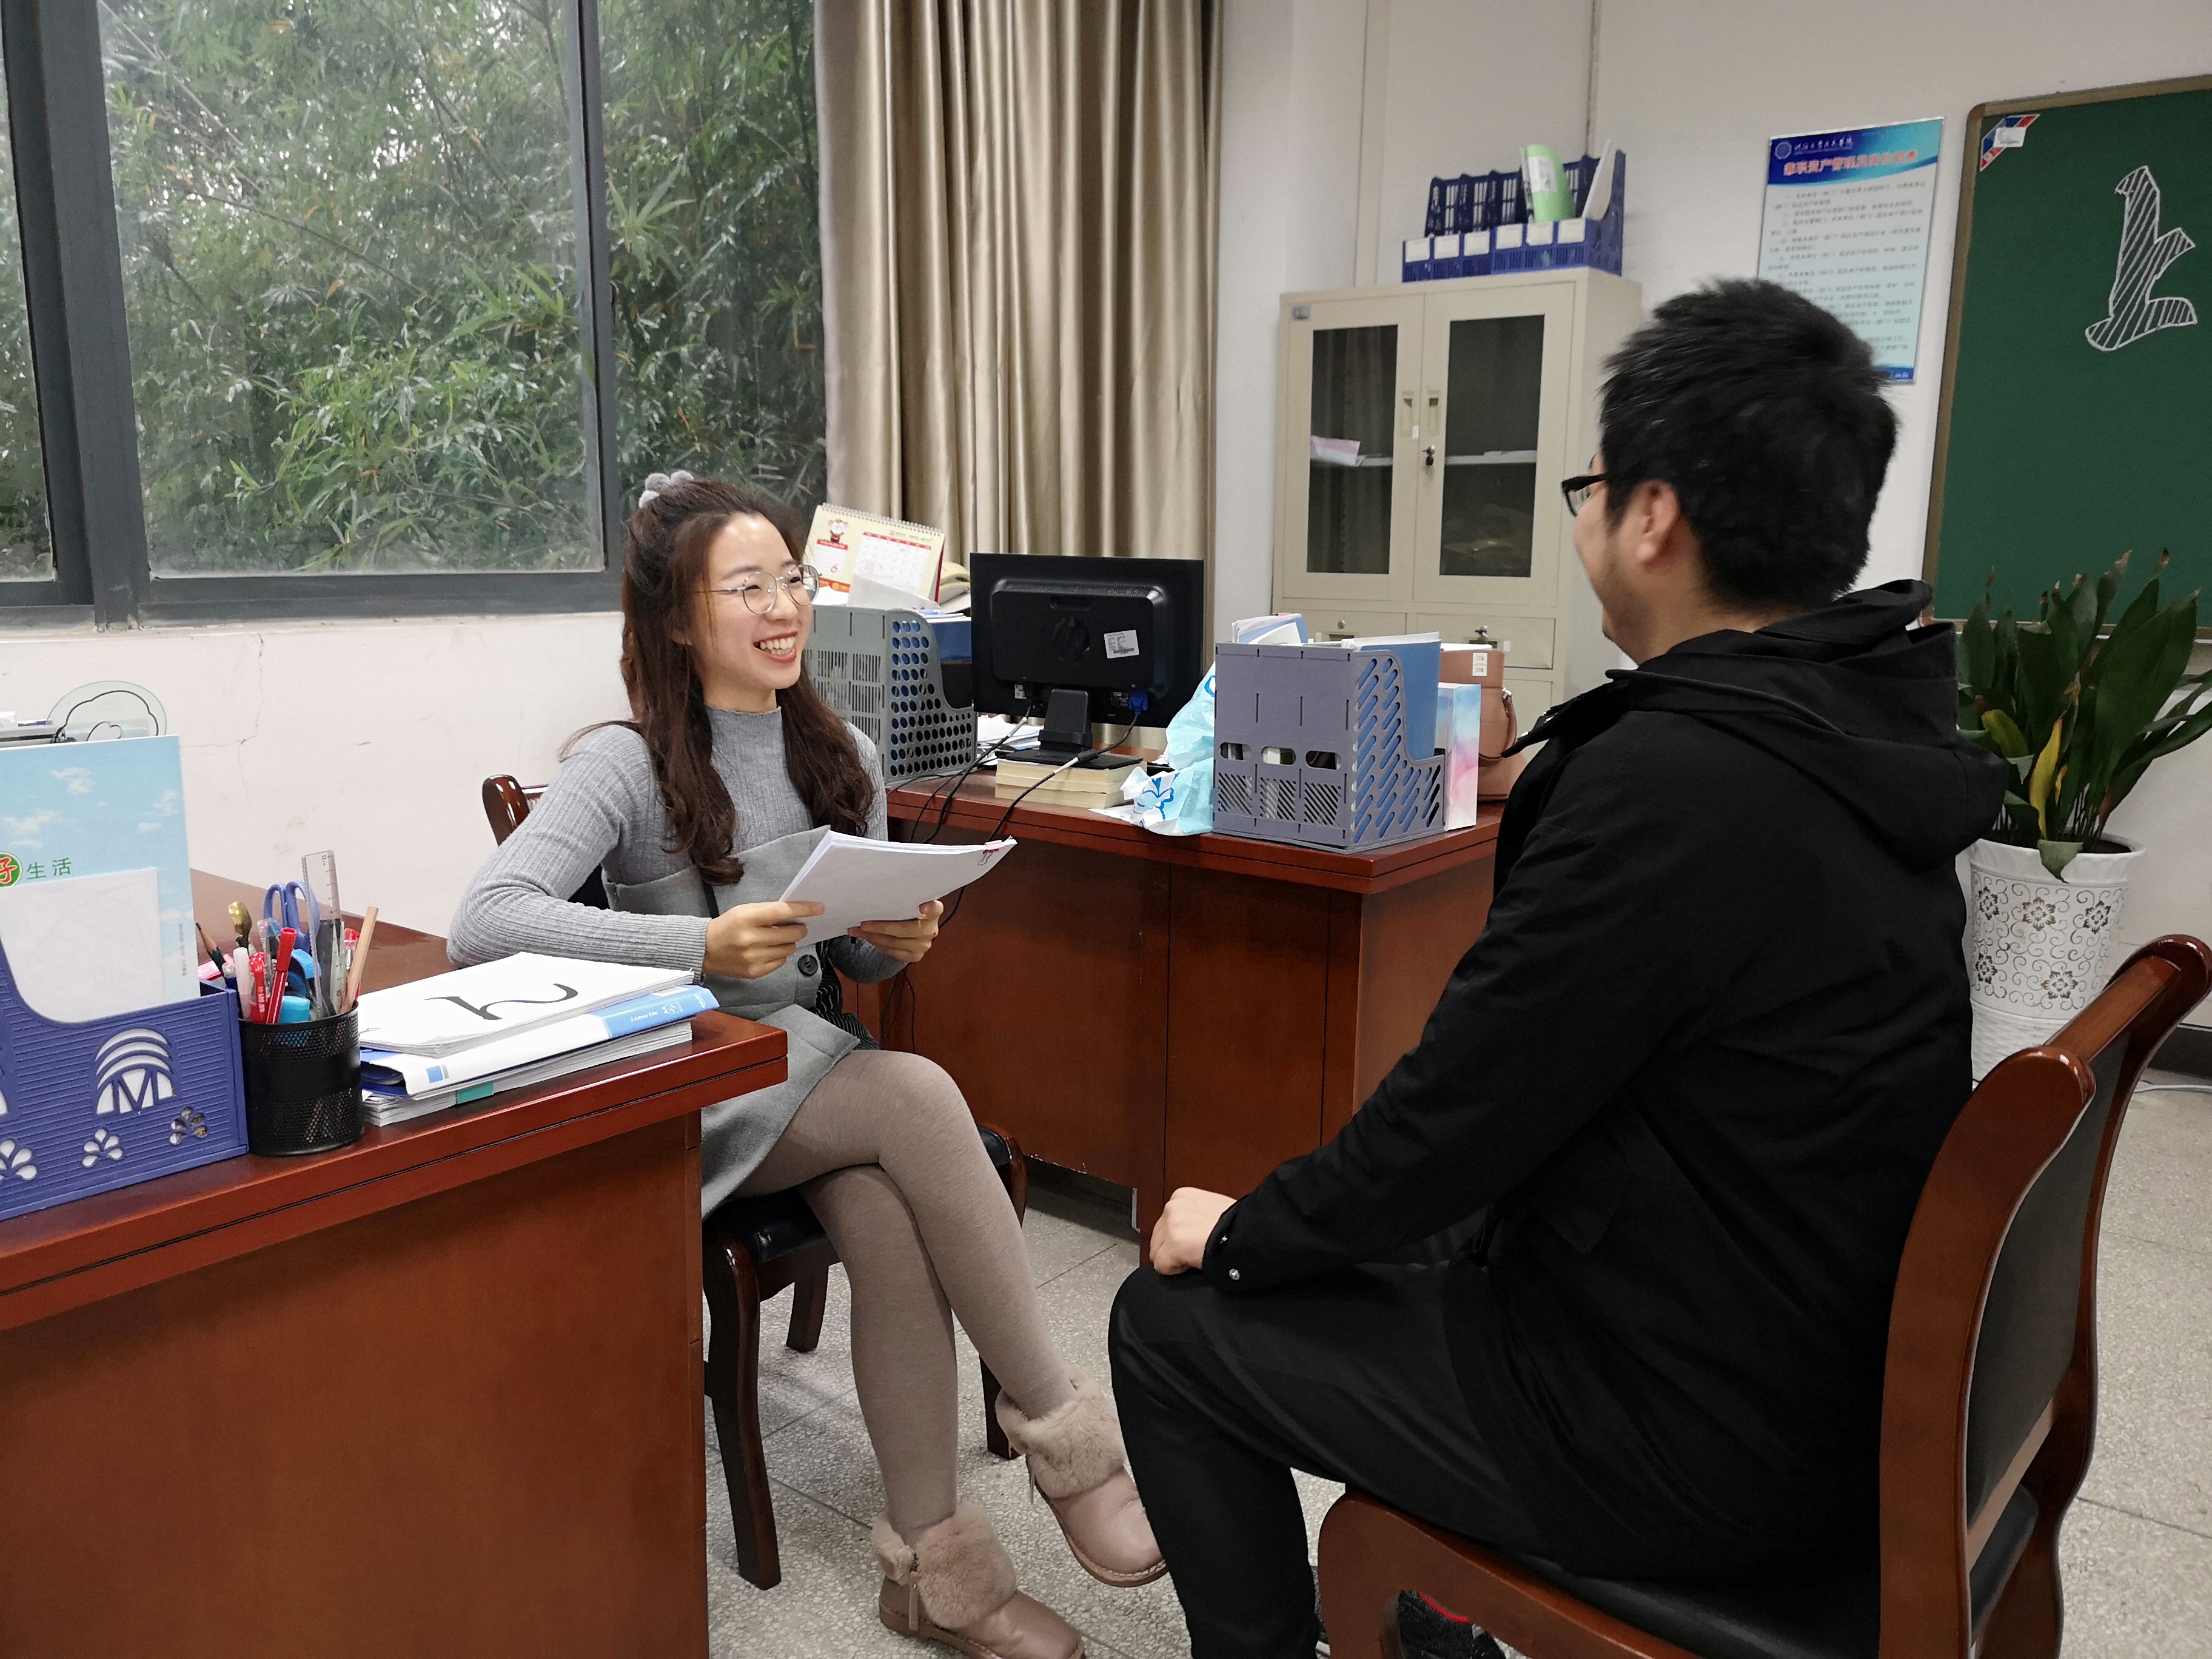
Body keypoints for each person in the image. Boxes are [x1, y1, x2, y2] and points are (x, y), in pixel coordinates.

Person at [1108, 278, 2011, 1658]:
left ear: (1653, 517)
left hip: (1688, 1434)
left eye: (1589, 487)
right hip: (1807, 1352)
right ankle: (1427, 1619)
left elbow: (1461, 1114)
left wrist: (1237, 1235)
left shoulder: (1677, 781)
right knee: (1381, 1233)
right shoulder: (1854, 725)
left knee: (1170, 1327)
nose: (1582, 518)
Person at [452, 472, 1161, 1659]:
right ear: (678, 621)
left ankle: (933, 1584)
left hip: (813, 1070)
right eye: (747, 587)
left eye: (791, 579)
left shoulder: (842, 751)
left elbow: (848, 964)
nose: (783, 607)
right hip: (698, 1080)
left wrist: (893, 942)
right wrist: (696, 945)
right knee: (918, 1094)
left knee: (885, 1217)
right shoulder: (624, 765)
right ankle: (1067, 1437)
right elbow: (485, 918)